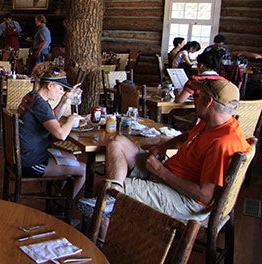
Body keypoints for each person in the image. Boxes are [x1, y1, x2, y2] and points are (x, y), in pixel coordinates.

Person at [103, 79, 249, 227]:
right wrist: (164, 146)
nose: (195, 100)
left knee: (103, 188)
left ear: (208, 101)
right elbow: (188, 135)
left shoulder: (223, 143)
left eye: (198, 96)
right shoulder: (214, 122)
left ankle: (107, 215)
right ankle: (112, 200)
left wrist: (160, 171)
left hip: (187, 201)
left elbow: (205, 196)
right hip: (168, 174)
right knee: (116, 142)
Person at [17, 65, 86, 198]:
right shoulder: (40, 105)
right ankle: (62, 205)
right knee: (83, 169)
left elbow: (52, 117)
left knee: (72, 158)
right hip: (32, 162)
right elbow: (61, 135)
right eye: (60, 88)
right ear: (49, 85)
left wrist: (65, 99)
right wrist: (72, 119)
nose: (62, 92)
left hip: (25, 154)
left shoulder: (32, 97)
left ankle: (58, 197)